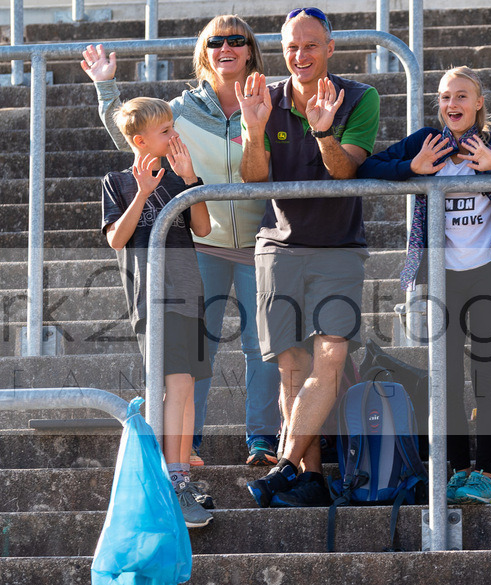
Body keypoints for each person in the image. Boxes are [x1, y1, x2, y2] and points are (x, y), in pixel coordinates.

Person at [81, 14, 282, 469]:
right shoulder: (184, 110)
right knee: (199, 351)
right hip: (202, 243)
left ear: (250, 48)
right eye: (215, 41)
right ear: (204, 52)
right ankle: (188, 445)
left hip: (261, 241)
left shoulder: (269, 100)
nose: (225, 47)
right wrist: (106, 87)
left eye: (236, 39)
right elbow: (134, 136)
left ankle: (262, 439)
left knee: (261, 345)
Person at [357, 66, 491, 505]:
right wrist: (410, 168)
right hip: (441, 278)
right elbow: (368, 166)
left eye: (462, 96)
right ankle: (456, 470)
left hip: (489, 274)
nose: (453, 104)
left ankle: (484, 473)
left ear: (478, 103)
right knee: (445, 378)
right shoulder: (425, 142)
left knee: (485, 373)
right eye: (445, 97)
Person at [237, 7, 380, 508]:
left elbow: (346, 174)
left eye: (311, 45)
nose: (300, 55)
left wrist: (323, 132)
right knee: (291, 370)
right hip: (278, 245)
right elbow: (255, 181)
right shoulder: (263, 99)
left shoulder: (360, 97)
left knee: (332, 358)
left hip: (338, 248)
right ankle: (312, 477)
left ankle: (282, 466)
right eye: (292, 47)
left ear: (330, 48)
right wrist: (254, 132)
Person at [100, 97, 214, 528]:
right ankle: (170, 477)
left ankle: (177, 476)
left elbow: (202, 228)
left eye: (172, 127)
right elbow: (117, 239)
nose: (173, 136)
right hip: (152, 297)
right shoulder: (117, 180)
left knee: (184, 388)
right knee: (174, 387)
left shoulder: (179, 176)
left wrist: (191, 181)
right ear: (138, 140)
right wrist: (143, 193)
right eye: (165, 130)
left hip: (189, 293)